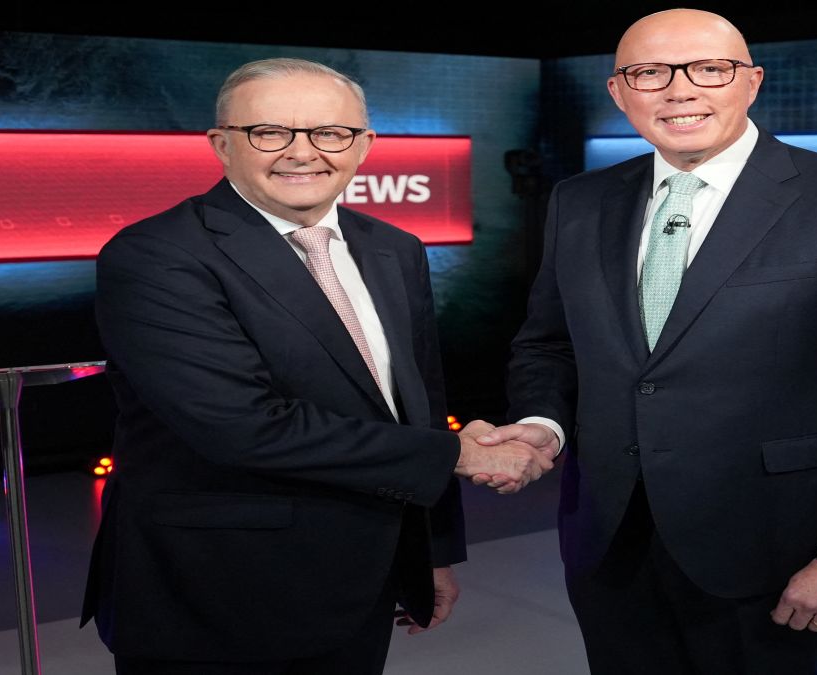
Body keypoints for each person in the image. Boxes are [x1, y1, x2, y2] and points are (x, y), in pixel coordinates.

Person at [475, 9, 817, 674]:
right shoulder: (579, 202)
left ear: (750, 82)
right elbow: (547, 345)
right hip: (609, 545)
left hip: (777, 552)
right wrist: (540, 426)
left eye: (709, 68)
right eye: (649, 73)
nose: (679, 89)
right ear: (619, 92)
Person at [80, 57, 551, 675]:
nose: (303, 154)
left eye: (330, 134)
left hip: (363, 579)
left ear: (364, 146)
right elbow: (241, 426)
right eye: (270, 133)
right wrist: (462, 455)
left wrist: (432, 550)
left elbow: (421, 406)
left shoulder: (393, 249)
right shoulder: (155, 255)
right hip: (217, 593)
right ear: (222, 145)